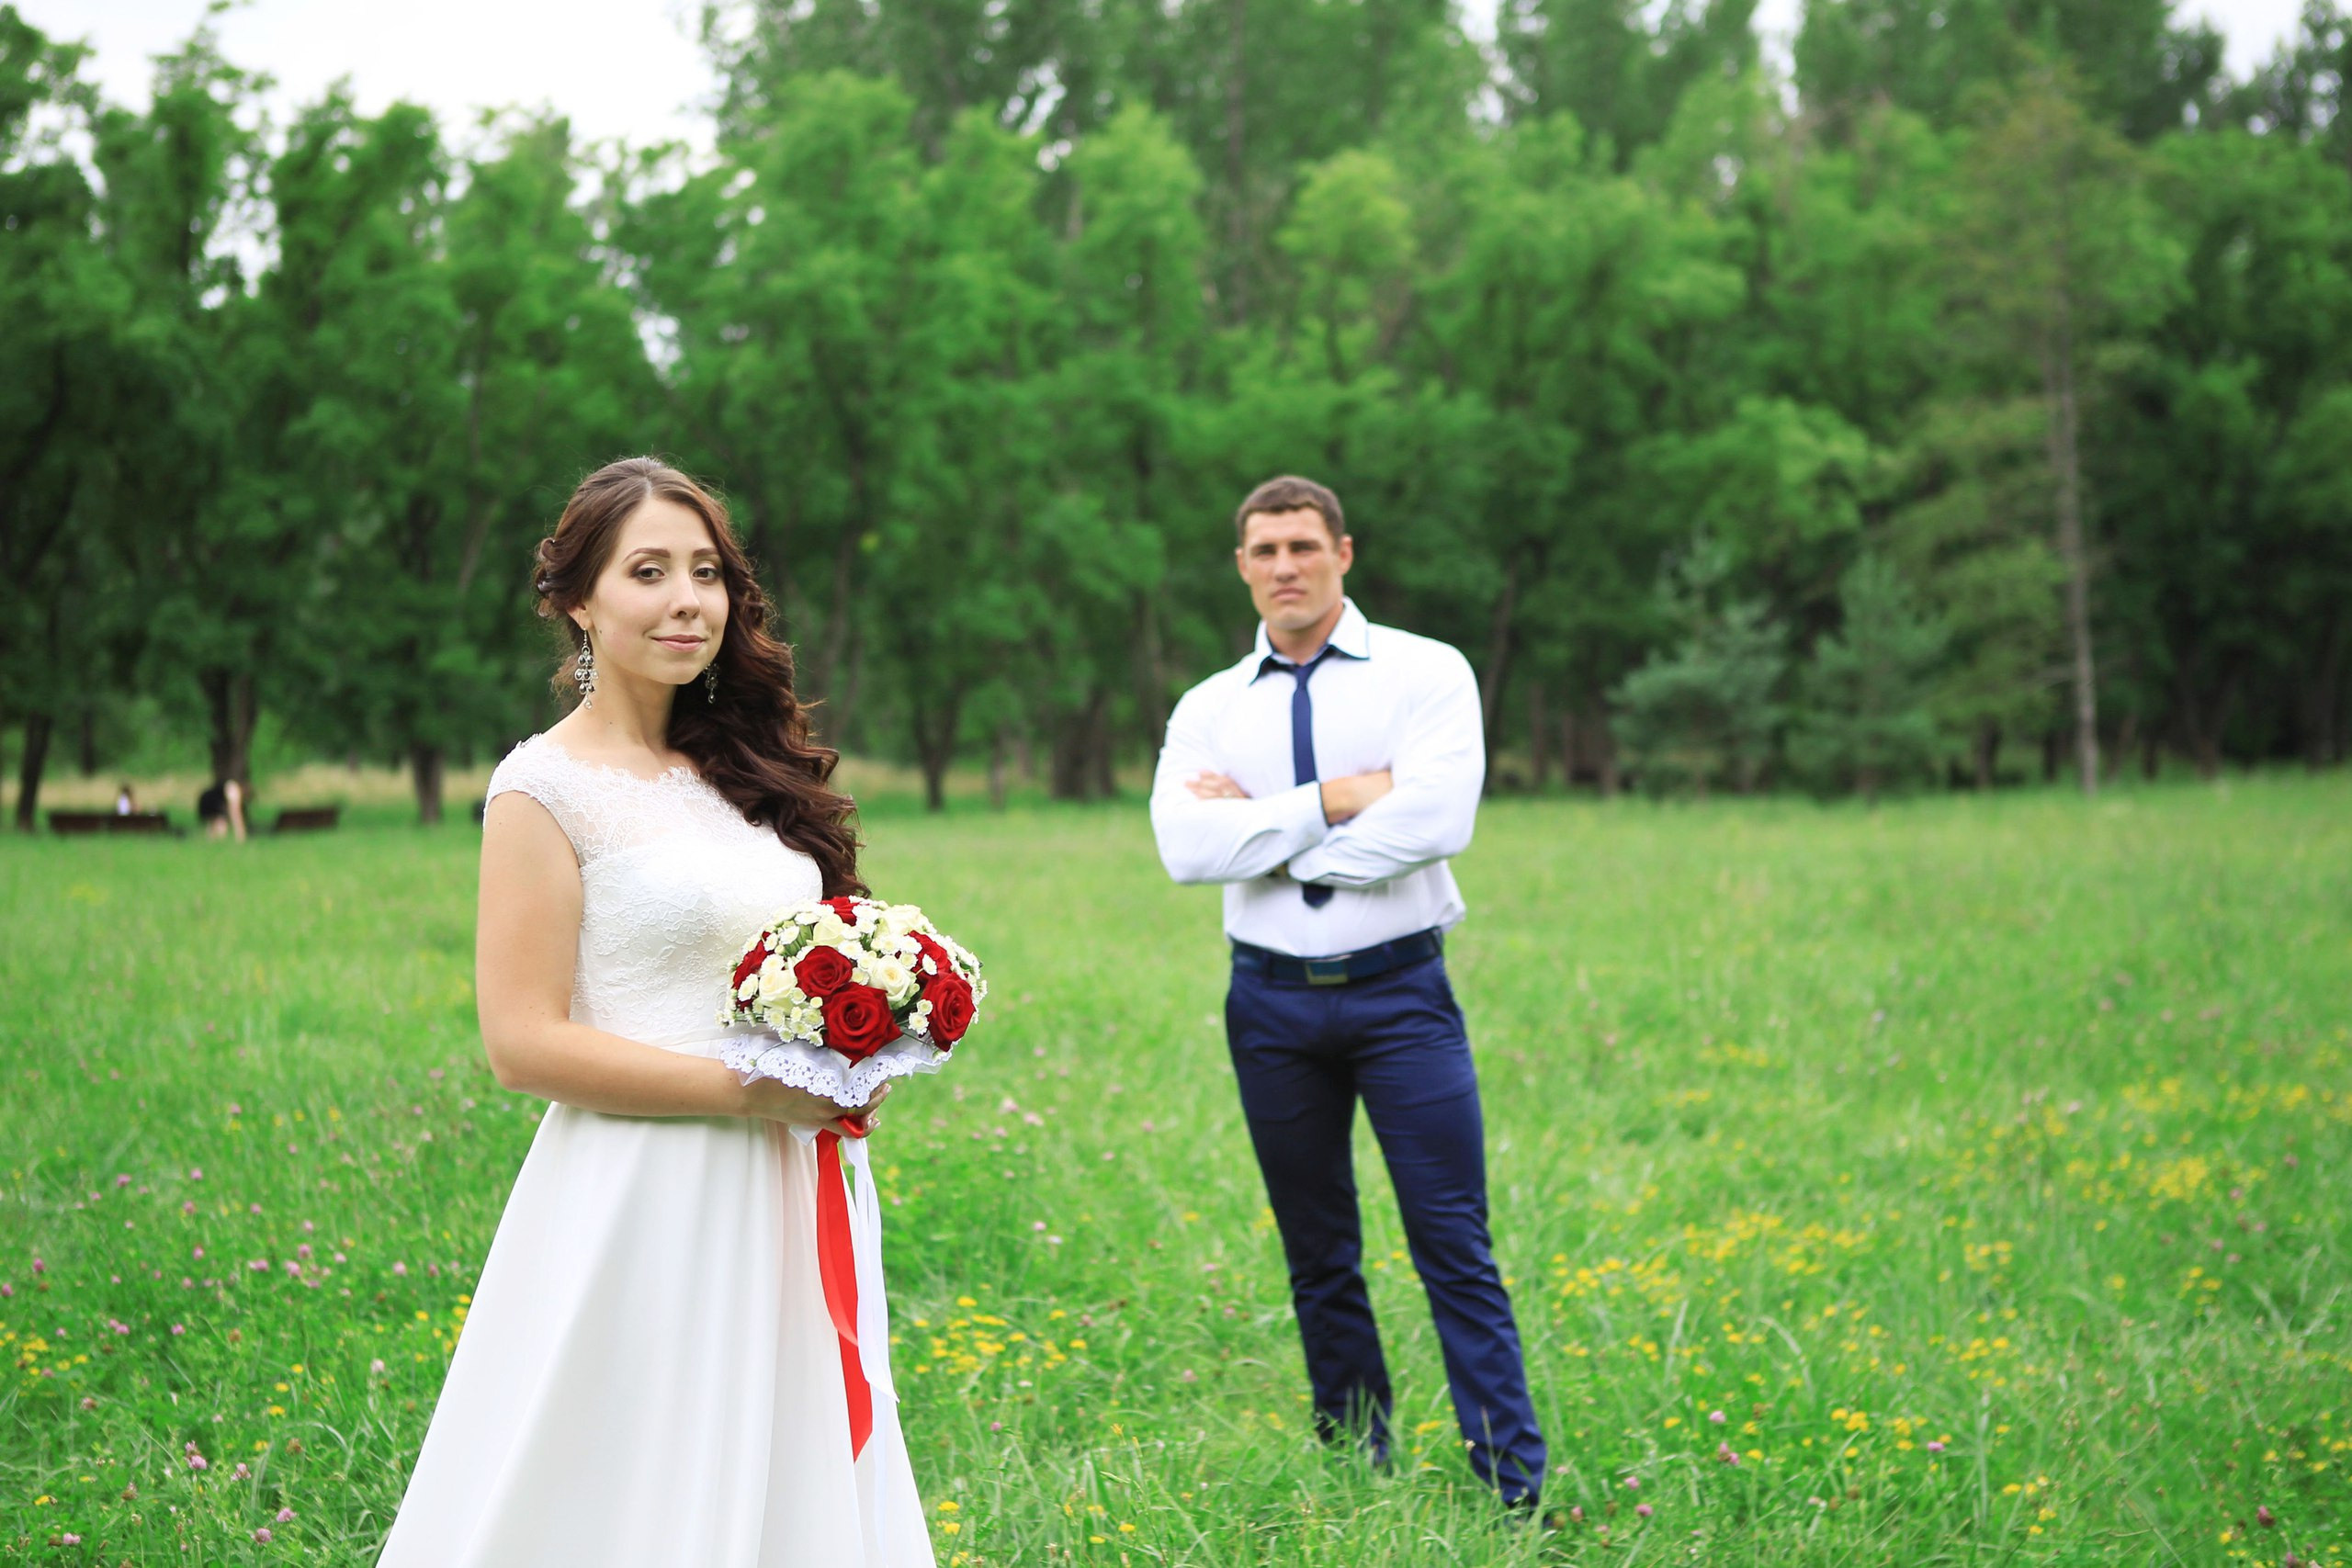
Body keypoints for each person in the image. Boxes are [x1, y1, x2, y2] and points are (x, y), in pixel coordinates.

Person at [377, 458, 931, 1567]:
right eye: (648, 572)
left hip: (793, 1180)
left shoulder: (742, 767)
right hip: (646, 1193)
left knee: (792, 1467)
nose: (688, 599)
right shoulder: (542, 789)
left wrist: (874, 1018)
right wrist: (749, 1090)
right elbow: (521, 1043)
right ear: (578, 600)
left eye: (707, 572)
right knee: (633, 1483)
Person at [1148, 475, 1546, 1510]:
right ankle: (1354, 1465)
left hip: (1400, 994)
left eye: (1303, 547)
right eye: (1264, 550)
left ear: (1343, 553)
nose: (1285, 566)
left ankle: (1512, 1488)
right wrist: (1335, 799)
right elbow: (1184, 850)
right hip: (1269, 1005)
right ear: (1241, 565)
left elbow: (1437, 820)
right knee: (1317, 1249)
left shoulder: (1424, 674)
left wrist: (1269, 841)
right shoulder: (1207, 708)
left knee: (1453, 1243)